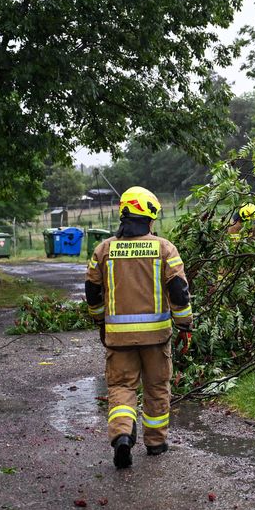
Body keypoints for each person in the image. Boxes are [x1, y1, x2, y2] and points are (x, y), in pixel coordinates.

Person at [85, 186, 193, 469]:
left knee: (121, 387)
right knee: (157, 387)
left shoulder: (103, 250)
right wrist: (185, 325)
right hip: (156, 338)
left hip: (118, 339)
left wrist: (100, 320)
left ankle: (122, 435)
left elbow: (92, 292)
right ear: (149, 216)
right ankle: (156, 443)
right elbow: (179, 293)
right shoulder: (164, 249)